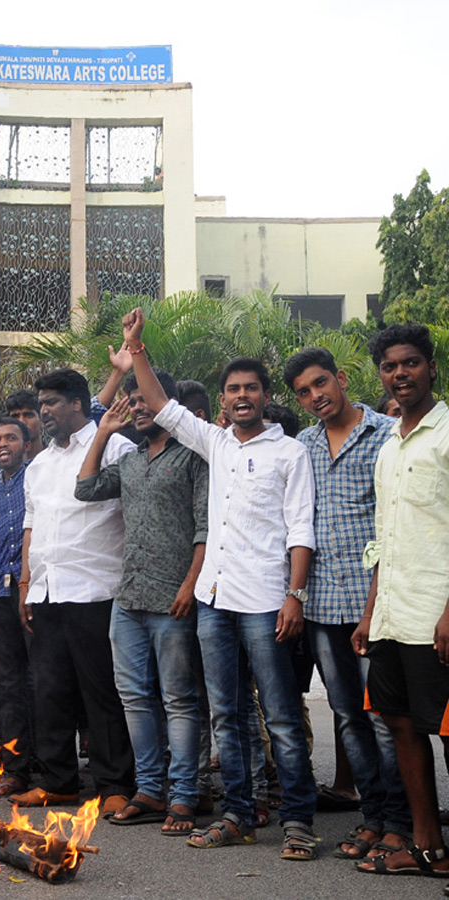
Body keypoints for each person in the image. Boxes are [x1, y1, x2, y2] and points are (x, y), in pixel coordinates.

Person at [122, 306, 319, 860]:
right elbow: (159, 404)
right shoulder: (216, 441)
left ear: (264, 395)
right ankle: (238, 813)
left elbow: (301, 528)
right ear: (224, 397)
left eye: (250, 388)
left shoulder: (289, 452)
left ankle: (299, 821)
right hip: (214, 600)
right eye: (232, 389)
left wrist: (293, 595)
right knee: (225, 715)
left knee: (278, 715)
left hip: (264, 602)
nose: (240, 396)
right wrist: (136, 348)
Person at [283, 347, 410, 861]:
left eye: (320, 384)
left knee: (384, 716)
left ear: (340, 378)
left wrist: (373, 604)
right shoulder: (304, 445)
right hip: (322, 607)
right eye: (303, 393)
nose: (315, 397)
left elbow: (391, 524)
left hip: (373, 604)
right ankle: (373, 819)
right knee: (346, 717)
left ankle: (401, 822)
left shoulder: (386, 434)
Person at [75, 368, 209, 835]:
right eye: (131, 402)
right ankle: (150, 791)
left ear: (167, 404)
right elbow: (85, 488)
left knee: (178, 700)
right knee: (134, 698)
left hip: (173, 600)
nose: (136, 407)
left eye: (143, 400)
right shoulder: (130, 460)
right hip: (127, 599)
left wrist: (190, 584)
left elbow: (205, 528)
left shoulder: (194, 457)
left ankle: (185, 797)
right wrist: (103, 433)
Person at [13, 368, 135, 814]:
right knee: (49, 692)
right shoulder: (39, 464)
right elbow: (31, 526)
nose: (43, 412)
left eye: (51, 403)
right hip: (47, 593)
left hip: (97, 590)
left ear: (78, 404)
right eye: (41, 404)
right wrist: (27, 584)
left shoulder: (116, 445)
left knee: (101, 692)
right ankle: (59, 781)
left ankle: (114, 785)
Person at [351, 324, 449, 881]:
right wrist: (370, 613)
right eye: (390, 367)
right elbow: (383, 539)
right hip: (393, 614)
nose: (400, 374)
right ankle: (428, 847)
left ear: (431, 367)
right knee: (402, 726)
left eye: (410, 363)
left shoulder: (446, 434)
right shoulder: (388, 448)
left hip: (439, 613)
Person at [0, 416, 35, 799]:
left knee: (42, 682)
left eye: (11, 438)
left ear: (26, 445)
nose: (3, 445)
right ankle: (14, 768)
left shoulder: (38, 478)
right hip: (1, 594)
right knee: (8, 684)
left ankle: (48, 766)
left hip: (34, 593)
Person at [2, 390, 44, 458]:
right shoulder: (2, 463)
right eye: (15, 416)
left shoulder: (56, 460)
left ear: (42, 421)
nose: (21, 421)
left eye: (28, 415)